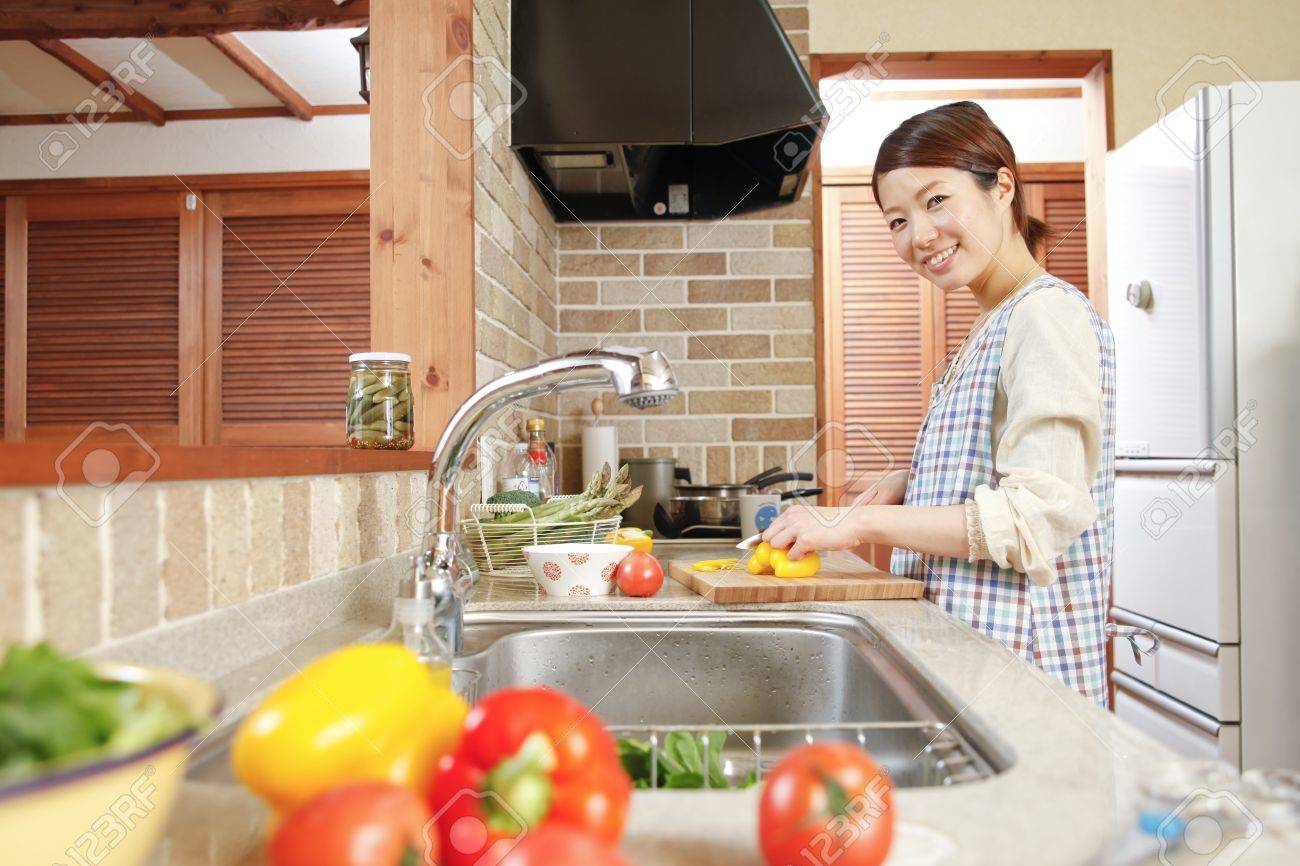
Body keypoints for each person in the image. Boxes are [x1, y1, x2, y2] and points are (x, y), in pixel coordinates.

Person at [764, 102, 1115, 704]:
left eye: (936, 201)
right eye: (898, 220)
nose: (920, 236)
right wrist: (915, 480)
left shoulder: (1046, 315)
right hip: (973, 670)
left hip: (1022, 685)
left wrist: (857, 523)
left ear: (1002, 186)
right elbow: (1003, 470)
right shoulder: (994, 322)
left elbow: (1034, 519)